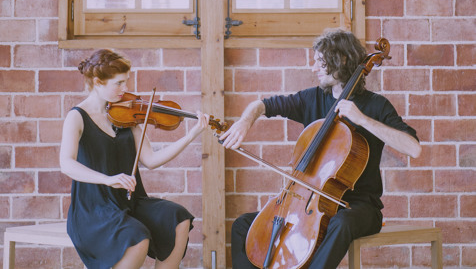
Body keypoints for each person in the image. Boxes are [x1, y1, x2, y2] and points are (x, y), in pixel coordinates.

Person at [220, 29, 421, 269]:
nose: (313, 68)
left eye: (320, 62)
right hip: (307, 205)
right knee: (242, 226)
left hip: (358, 207)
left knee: (341, 223)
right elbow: (262, 105)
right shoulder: (311, 98)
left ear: (342, 60)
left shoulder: (376, 105)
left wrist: (363, 120)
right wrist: (244, 122)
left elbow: (413, 148)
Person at [60, 49, 210, 269]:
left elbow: (151, 160)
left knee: (178, 218)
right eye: (119, 83)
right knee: (137, 238)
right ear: (98, 82)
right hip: (94, 208)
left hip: (129, 201)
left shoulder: (126, 116)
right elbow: (66, 163)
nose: (125, 89)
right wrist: (107, 179)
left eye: (126, 81)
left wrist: (191, 136)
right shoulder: (77, 117)